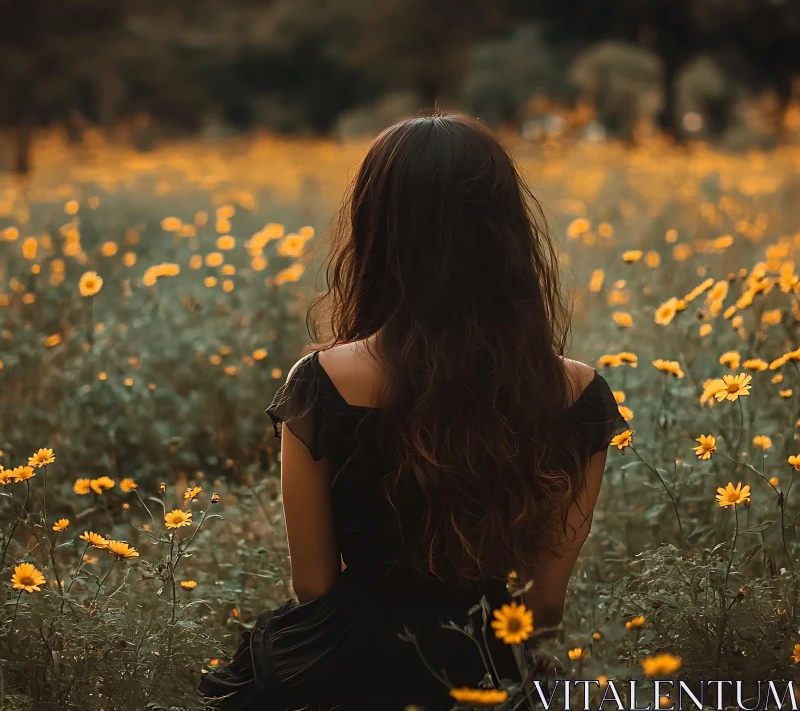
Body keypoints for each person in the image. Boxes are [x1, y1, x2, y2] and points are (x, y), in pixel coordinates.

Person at [198, 113, 628, 711]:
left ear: (376, 230)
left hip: (348, 666)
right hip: (487, 664)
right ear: (506, 233)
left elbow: (313, 585)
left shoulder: (321, 383)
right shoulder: (579, 395)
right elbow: (543, 606)